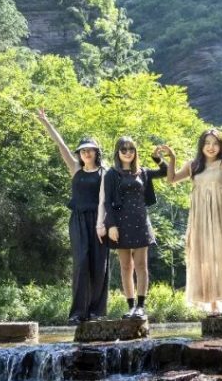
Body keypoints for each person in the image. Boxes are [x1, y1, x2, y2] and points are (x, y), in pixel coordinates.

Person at [160, 129, 222, 315]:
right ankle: (213, 305)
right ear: (201, 145)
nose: (211, 147)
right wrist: (172, 158)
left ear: (221, 146)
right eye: (207, 143)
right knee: (206, 259)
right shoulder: (193, 165)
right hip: (200, 219)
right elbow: (171, 179)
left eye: (215, 143)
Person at [36, 109, 110, 325]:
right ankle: (78, 313)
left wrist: (108, 224)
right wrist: (46, 122)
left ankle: (96, 312)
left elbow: (108, 200)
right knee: (81, 263)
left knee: (99, 265)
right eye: (83, 150)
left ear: (96, 152)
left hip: (99, 221)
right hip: (78, 221)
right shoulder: (75, 168)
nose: (86, 153)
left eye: (90, 150)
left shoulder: (105, 172)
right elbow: (61, 145)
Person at [99, 137, 168, 320]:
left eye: (131, 149)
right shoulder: (111, 174)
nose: (128, 152)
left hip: (140, 223)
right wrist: (111, 225)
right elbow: (107, 202)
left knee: (141, 265)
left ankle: (141, 307)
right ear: (118, 152)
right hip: (120, 224)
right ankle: (130, 306)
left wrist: (157, 158)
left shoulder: (142, 172)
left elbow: (166, 171)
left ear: (135, 152)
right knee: (126, 266)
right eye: (124, 149)